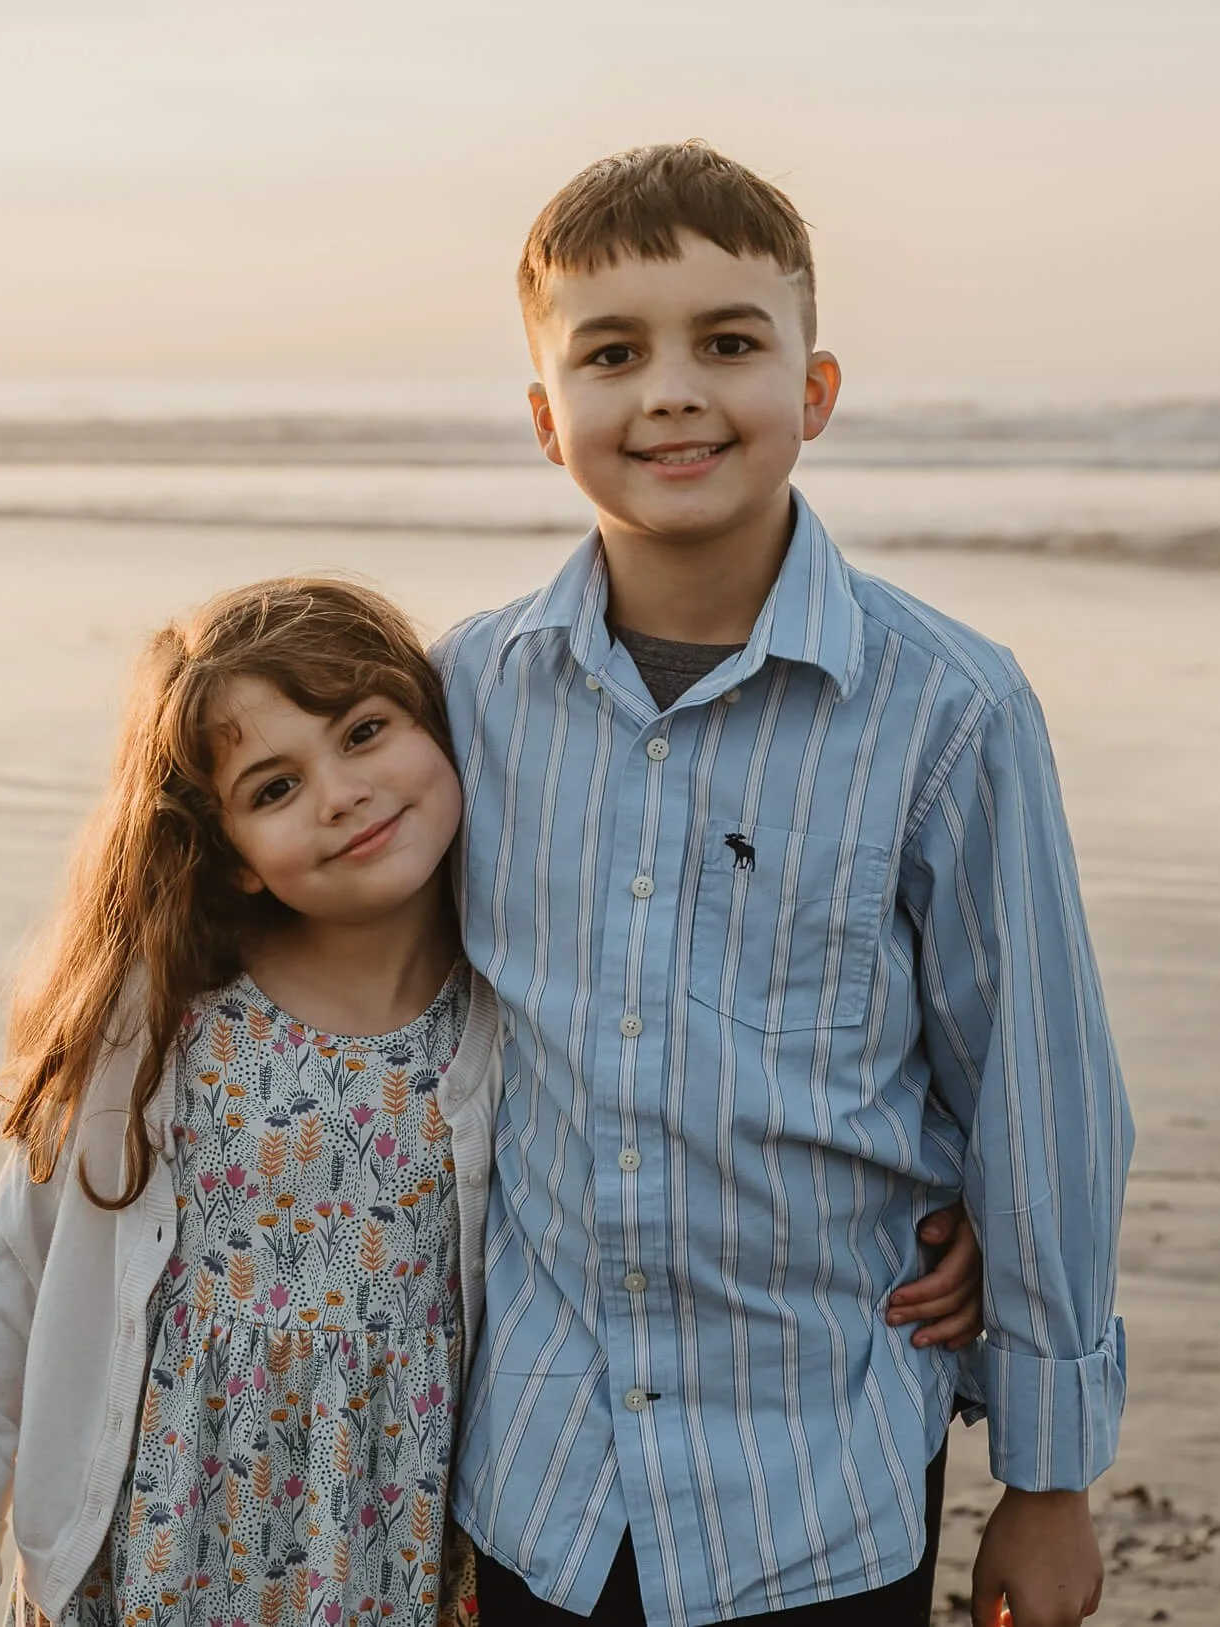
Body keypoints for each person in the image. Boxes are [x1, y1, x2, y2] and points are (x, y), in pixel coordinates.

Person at [0, 578, 990, 1627]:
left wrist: (929, 1203)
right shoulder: (166, 1018)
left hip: (401, 1549)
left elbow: (697, 1123)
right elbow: (8, 1279)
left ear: (443, 728)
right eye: (273, 787)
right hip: (165, 1546)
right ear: (231, 861)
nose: (341, 791)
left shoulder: (514, 1008)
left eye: (364, 730)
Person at [435, 143, 1134, 1627]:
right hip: (537, 1474)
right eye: (613, 353)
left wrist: (1051, 1471)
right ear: (549, 419)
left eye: (730, 342)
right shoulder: (468, 695)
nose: (673, 390)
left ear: (814, 390)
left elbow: (1041, 1086)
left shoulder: (949, 708)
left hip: (813, 1484)